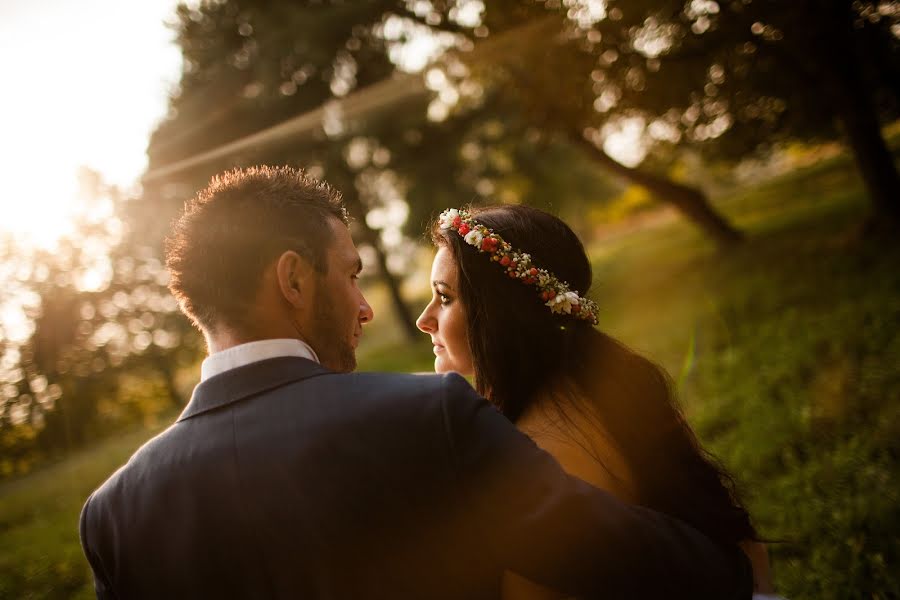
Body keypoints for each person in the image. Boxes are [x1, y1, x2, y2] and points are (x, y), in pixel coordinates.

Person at [79, 167, 752, 600]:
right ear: (292, 279)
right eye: (350, 275)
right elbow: (634, 562)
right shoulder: (428, 417)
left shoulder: (111, 517)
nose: (366, 308)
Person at [417, 204, 778, 600]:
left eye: (445, 298)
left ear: (500, 312)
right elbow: (723, 520)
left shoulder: (539, 446)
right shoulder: (610, 377)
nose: (425, 319)